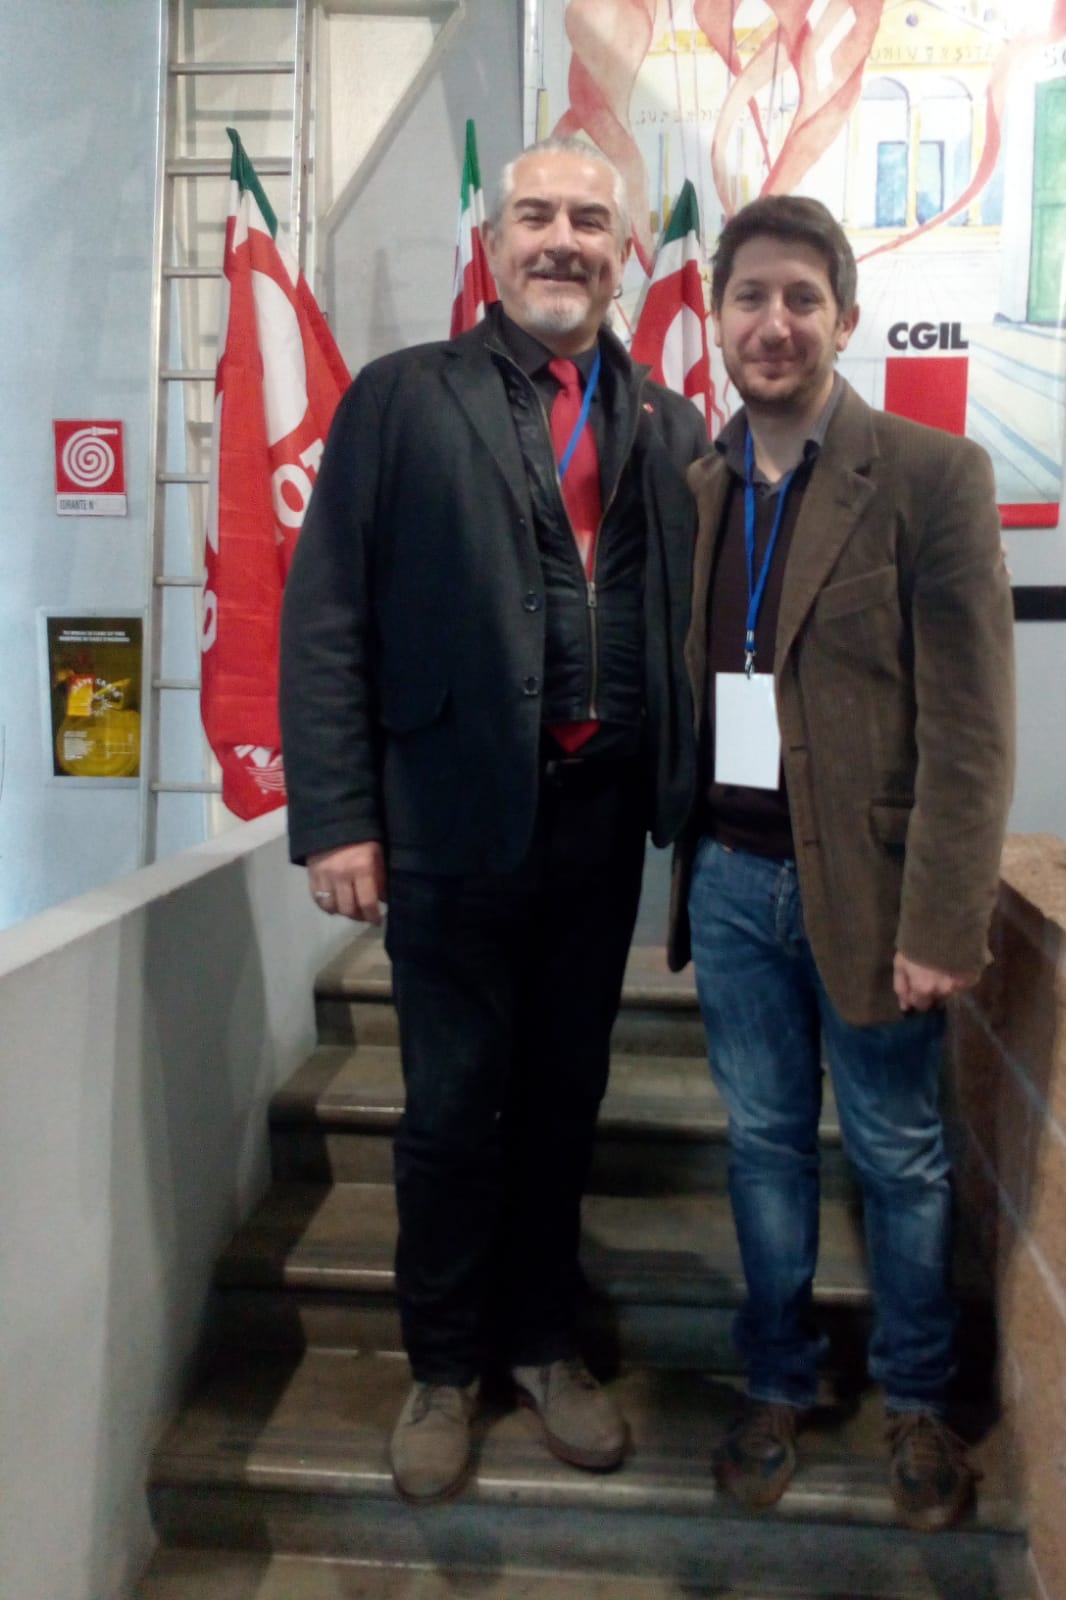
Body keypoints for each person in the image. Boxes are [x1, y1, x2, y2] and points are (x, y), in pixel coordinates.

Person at [279, 136, 708, 1505]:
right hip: (449, 821)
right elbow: (327, 613)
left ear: (624, 250)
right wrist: (337, 817)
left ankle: (542, 1342)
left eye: (589, 219)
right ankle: (443, 1366)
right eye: (537, 215)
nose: (561, 239)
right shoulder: (402, 400)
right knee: (456, 1107)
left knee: (565, 1100)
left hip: (601, 824)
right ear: (495, 240)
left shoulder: (669, 424)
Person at [668, 195, 1015, 1532]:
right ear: (718, 320)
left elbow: (973, 727)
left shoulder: (932, 475)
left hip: (873, 896)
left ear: (846, 319)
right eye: (751, 297)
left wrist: (944, 920)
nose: (776, 323)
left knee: (900, 1154)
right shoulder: (702, 486)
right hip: (732, 882)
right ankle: (778, 1378)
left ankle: (918, 1399)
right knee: (762, 1147)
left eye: (802, 299)